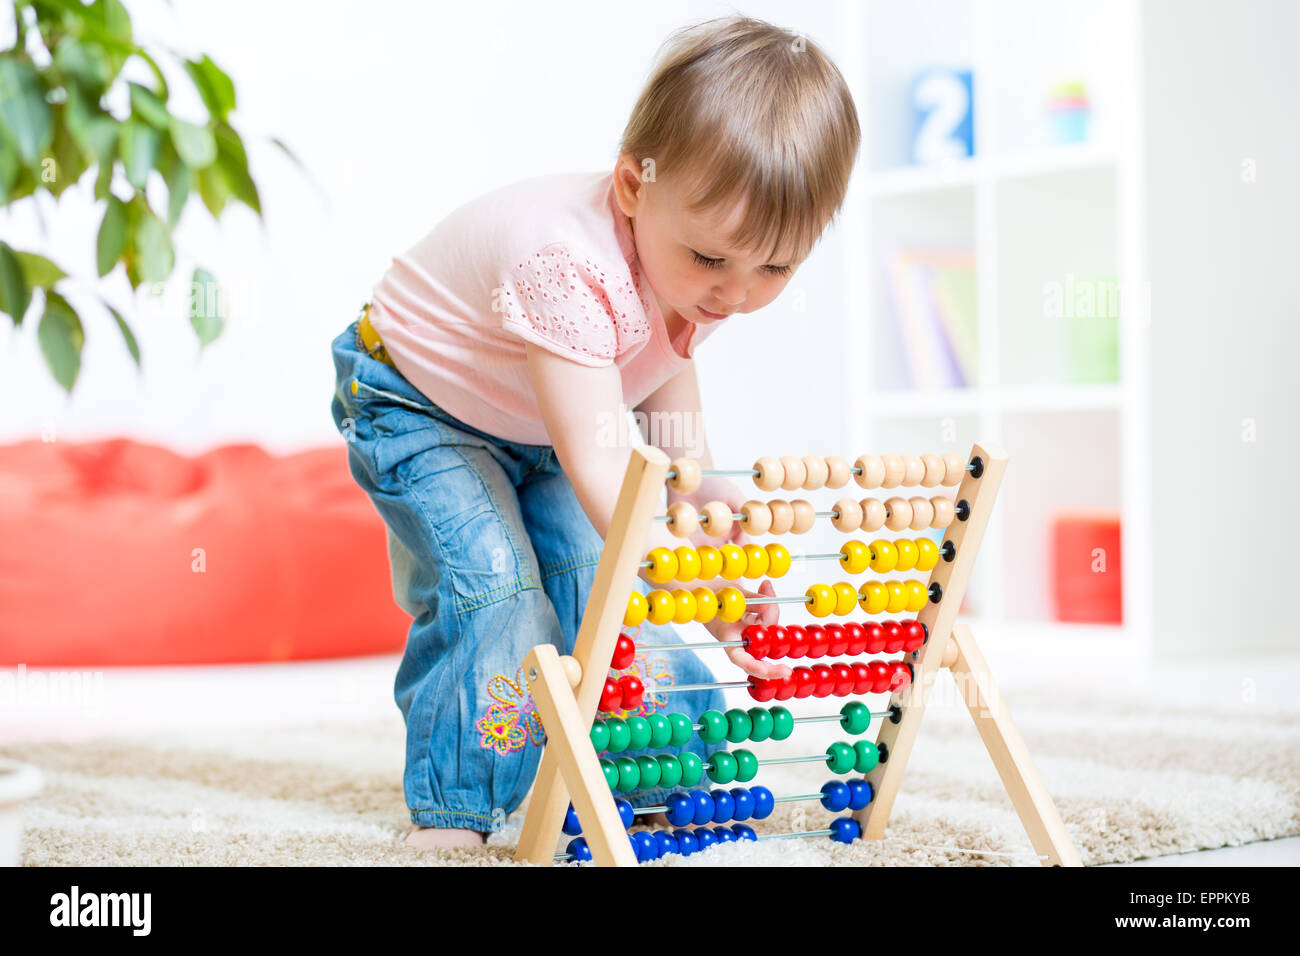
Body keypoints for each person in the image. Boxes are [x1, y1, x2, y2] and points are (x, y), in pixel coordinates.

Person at [329, 14, 860, 849]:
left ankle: (648, 765)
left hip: (542, 414)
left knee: (592, 581)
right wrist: (698, 580)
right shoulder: (565, 266)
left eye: (776, 267)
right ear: (631, 188)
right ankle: (458, 807)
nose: (737, 294)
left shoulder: (704, 267)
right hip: (417, 402)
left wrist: (711, 517)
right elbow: (605, 464)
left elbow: (665, 396)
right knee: (499, 588)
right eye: (714, 261)